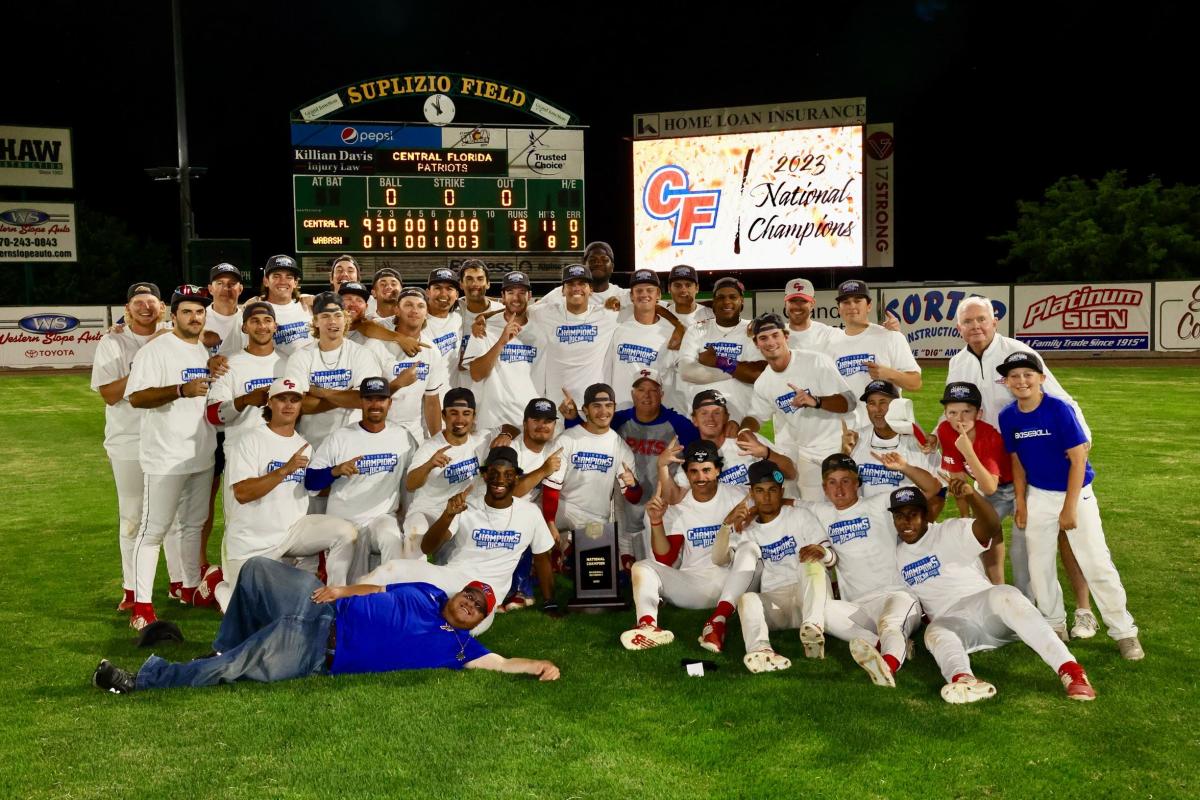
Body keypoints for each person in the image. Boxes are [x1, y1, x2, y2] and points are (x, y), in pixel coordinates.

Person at [91, 558, 559, 694]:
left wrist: (539, 664)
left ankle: (144, 680)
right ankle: (219, 648)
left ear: (476, 622)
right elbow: (377, 592)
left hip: (313, 649)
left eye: (477, 607)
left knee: (237, 666)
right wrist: (340, 590)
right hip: (321, 608)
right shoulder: (429, 593)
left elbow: (502, 662)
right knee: (255, 571)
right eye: (469, 595)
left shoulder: (456, 649)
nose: (469, 603)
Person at [946, 294, 1097, 637]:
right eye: (968, 322)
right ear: (959, 328)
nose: (975, 327)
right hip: (991, 469)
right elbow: (956, 411)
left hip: (1031, 465)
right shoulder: (957, 363)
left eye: (981, 319)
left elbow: (1060, 398)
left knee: (1057, 538)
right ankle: (1010, 606)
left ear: (994, 320)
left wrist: (1081, 442)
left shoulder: (1017, 353)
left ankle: (1083, 610)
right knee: (985, 535)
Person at [892, 482, 1097, 704]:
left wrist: (972, 497)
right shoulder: (897, 555)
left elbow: (990, 526)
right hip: (953, 621)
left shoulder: (949, 530)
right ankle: (964, 680)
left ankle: (1071, 670)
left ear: (926, 514)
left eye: (913, 514)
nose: (906, 522)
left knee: (1005, 594)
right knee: (934, 632)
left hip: (985, 607)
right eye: (899, 516)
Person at [997, 352, 1143, 659]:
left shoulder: (1058, 409)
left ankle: (1124, 631)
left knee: (1096, 562)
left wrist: (1069, 507)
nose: (1021, 381)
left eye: (1027, 374)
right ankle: (1054, 625)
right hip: (1038, 495)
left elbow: (1079, 458)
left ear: (1041, 379)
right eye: (1014, 376)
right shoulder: (1008, 416)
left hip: (1075, 493)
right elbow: (1016, 461)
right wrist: (1021, 502)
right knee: (1040, 565)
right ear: (1006, 382)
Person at [362, 446, 560, 635]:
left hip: (487, 593)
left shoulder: (530, 513)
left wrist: (550, 601)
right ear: (484, 475)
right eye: (494, 473)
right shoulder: (467, 505)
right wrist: (447, 515)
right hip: (453, 576)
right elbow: (427, 547)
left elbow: (542, 558)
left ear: (516, 478)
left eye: (508, 475)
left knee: (463, 626)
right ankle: (343, 601)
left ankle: (395, 628)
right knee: (393, 569)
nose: (500, 480)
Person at [206, 378, 358, 610]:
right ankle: (220, 586)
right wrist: (284, 470)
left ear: (300, 406)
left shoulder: (305, 446)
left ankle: (336, 601)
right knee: (249, 615)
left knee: (345, 532)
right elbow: (242, 493)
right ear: (269, 403)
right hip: (251, 541)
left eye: (294, 400)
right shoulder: (250, 440)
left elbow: (314, 488)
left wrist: (336, 471)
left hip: (291, 533)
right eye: (281, 399)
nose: (288, 405)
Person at [124, 285, 218, 630]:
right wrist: (181, 390)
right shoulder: (157, 350)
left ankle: (189, 586)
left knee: (192, 525)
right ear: (173, 315)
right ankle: (142, 605)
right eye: (188, 311)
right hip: (165, 457)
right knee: (152, 531)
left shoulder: (202, 351)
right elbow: (135, 397)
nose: (195, 317)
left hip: (200, 455)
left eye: (199, 311)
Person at [814, 452, 939, 687]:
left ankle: (887, 666)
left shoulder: (881, 503)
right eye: (832, 482)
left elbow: (932, 487)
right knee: (820, 611)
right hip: (859, 606)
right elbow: (784, 504)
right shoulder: (820, 512)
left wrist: (905, 467)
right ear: (824, 487)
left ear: (858, 483)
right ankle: (885, 643)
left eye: (846, 481)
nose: (839, 489)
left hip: (896, 594)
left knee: (890, 624)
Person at [92, 282, 179, 612]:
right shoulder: (112, 341)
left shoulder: (176, 335)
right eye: (138, 302)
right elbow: (110, 394)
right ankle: (131, 590)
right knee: (132, 518)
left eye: (152, 302)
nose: (146, 307)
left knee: (171, 516)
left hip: (168, 439)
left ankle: (178, 582)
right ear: (127, 309)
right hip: (128, 441)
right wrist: (146, 355)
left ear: (162, 308)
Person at [620, 440, 747, 650]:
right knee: (642, 566)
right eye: (694, 472)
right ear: (686, 474)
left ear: (718, 470)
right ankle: (648, 625)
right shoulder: (679, 505)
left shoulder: (737, 497)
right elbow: (665, 558)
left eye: (707, 470)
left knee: (750, 553)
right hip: (694, 585)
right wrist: (656, 521)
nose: (700, 477)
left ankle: (718, 621)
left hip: (733, 583)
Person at [717, 461, 835, 673]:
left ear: (782, 490)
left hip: (809, 598)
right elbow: (719, 559)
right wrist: (725, 526)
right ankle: (761, 650)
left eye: (772, 490)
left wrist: (822, 553)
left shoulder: (800, 516)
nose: (767, 497)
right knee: (747, 599)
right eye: (760, 491)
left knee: (809, 564)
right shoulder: (747, 528)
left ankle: (814, 628)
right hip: (778, 601)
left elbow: (832, 558)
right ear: (751, 493)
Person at [306, 377, 418, 579]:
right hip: (345, 522)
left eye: (381, 399)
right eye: (369, 399)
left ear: (389, 403)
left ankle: (390, 598)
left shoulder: (403, 437)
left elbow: (415, 478)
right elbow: (311, 481)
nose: (375, 405)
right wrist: (335, 470)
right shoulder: (340, 438)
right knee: (343, 587)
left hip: (382, 517)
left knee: (391, 538)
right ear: (360, 402)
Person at [743, 312, 856, 501]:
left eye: (775, 335)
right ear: (756, 343)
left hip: (837, 447)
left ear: (786, 336)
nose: (770, 342)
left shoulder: (815, 361)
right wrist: (745, 429)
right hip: (806, 455)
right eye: (763, 338)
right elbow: (756, 416)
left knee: (846, 504)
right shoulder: (763, 383)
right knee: (815, 508)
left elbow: (850, 401)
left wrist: (817, 401)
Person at [542, 383, 642, 568]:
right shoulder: (567, 439)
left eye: (608, 405)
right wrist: (549, 522)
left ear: (614, 407)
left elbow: (633, 498)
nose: (603, 411)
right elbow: (551, 488)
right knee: (535, 521)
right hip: (563, 509)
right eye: (597, 406)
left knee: (594, 572)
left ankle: (568, 547)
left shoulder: (620, 447)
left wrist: (634, 485)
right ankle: (557, 548)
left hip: (595, 518)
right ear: (585, 409)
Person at [935, 381, 1020, 587]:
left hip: (1019, 487)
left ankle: (1027, 595)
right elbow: (958, 477)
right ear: (945, 414)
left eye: (967, 411)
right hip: (991, 489)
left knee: (1025, 545)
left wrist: (968, 451)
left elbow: (990, 486)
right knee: (984, 530)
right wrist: (965, 517)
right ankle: (996, 587)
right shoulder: (946, 430)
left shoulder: (989, 438)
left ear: (979, 413)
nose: (959, 419)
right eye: (952, 412)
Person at [403, 388, 508, 554]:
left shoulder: (482, 439)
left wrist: (506, 435)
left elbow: (510, 427)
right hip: (427, 511)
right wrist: (428, 465)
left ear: (474, 417)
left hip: (461, 511)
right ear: (444, 416)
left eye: (466, 413)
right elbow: (410, 484)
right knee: (415, 535)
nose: (460, 419)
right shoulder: (431, 447)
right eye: (453, 413)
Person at [283, 291, 382, 455]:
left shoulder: (362, 354)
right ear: (315, 321)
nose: (332, 321)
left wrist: (321, 392)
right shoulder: (300, 357)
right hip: (311, 446)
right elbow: (298, 406)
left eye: (338, 315)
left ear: (346, 319)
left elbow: (366, 401)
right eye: (325, 316)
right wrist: (347, 396)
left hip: (354, 445)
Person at [658, 389, 792, 503]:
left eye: (717, 413)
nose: (710, 418)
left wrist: (766, 453)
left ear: (726, 417)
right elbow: (674, 498)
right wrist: (662, 467)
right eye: (704, 413)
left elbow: (790, 472)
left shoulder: (746, 441)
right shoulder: (694, 454)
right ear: (694, 420)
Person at [825, 279, 921, 427]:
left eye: (857, 301)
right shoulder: (831, 344)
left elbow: (915, 383)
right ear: (838, 308)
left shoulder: (891, 337)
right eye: (846, 302)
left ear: (869, 306)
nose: (852, 306)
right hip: (848, 433)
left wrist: (889, 374)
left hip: (885, 430)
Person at [462, 271, 545, 430]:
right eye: (510, 292)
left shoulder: (541, 328)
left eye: (522, 292)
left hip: (529, 420)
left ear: (529, 296)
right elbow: (476, 374)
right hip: (492, 421)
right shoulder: (484, 327)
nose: (516, 298)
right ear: (502, 296)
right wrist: (501, 341)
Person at [527, 264, 619, 403]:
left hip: (592, 407)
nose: (576, 288)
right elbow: (514, 308)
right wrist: (484, 316)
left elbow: (646, 304)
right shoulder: (545, 313)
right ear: (562, 290)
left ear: (591, 289)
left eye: (582, 283)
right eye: (570, 284)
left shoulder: (607, 315)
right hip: (557, 407)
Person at [841, 379, 940, 509]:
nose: (878, 409)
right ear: (867, 408)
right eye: (872, 403)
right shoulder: (855, 440)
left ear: (896, 406)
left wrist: (921, 526)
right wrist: (844, 454)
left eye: (883, 403)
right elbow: (840, 488)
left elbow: (940, 493)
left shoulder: (921, 443)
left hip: (906, 522)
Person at [676, 277, 761, 423]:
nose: (726, 301)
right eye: (720, 297)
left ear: (741, 302)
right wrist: (738, 369)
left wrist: (716, 361)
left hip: (740, 420)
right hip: (701, 421)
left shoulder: (753, 331)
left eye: (732, 297)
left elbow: (757, 375)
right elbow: (686, 372)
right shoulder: (696, 330)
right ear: (714, 304)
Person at [605, 269, 685, 410]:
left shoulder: (672, 333)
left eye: (650, 290)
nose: (644, 294)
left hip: (656, 415)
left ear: (658, 294)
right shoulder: (617, 327)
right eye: (639, 290)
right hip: (621, 413)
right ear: (631, 296)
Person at [379, 287, 448, 439]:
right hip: (379, 431)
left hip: (414, 434)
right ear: (397, 310)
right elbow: (367, 398)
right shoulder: (378, 345)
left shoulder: (431, 351)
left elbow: (432, 401)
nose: (415, 310)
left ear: (426, 313)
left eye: (420, 306)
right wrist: (399, 383)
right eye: (408, 305)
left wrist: (437, 441)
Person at [220, 255, 312, 358]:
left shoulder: (309, 307)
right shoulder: (250, 312)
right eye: (276, 276)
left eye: (289, 277)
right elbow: (226, 353)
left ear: (295, 282)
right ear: (266, 281)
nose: (283, 281)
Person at [538, 241, 628, 309]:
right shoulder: (562, 293)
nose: (598, 262)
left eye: (604, 259)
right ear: (584, 265)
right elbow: (531, 312)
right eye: (592, 260)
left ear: (612, 266)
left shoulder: (623, 296)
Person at [201, 263, 244, 355]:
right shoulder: (199, 318)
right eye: (220, 283)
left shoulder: (247, 320)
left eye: (232, 283)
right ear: (210, 289)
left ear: (240, 289)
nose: (226, 288)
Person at [661, 264, 714, 328]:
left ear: (697, 288)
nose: (683, 290)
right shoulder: (660, 318)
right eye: (677, 285)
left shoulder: (712, 316)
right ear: (669, 288)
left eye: (688, 285)